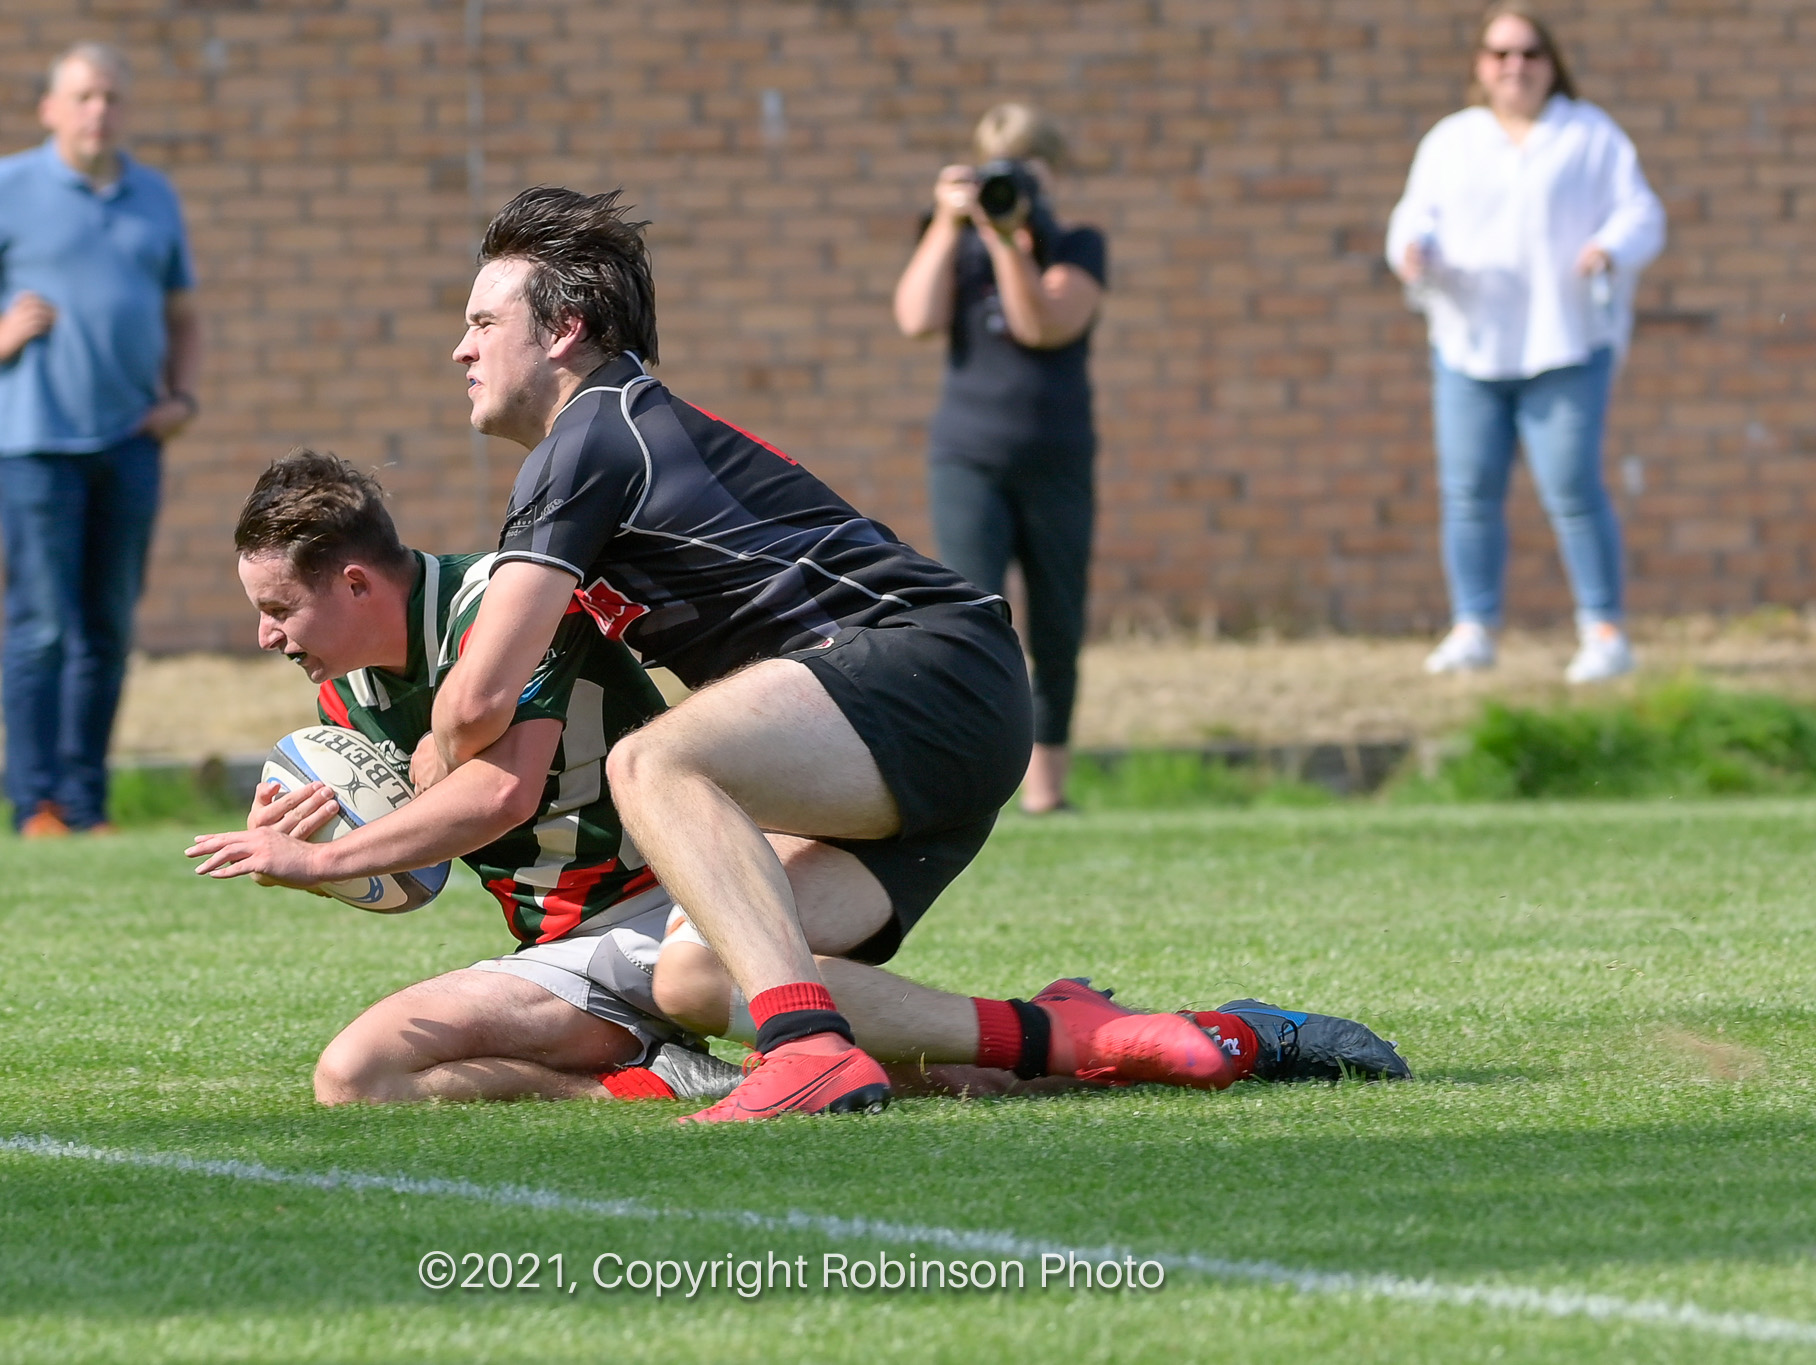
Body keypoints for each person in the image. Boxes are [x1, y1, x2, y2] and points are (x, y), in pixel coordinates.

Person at [427, 185, 1224, 1123]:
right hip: (934, 714)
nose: (462, 348)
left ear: (564, 328)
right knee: (698, 974)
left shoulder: (586, 436)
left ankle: (808, 1055)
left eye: (484, 320)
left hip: (924, 668)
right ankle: (1062, 1036)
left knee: (657, 759)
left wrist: (413, 779)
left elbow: (477, 703)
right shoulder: (612, 433)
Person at [187, 451, 1328, 1105]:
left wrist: (326, 852)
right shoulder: (342, 689)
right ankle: (654, 1080)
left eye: (278, 609)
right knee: (358, 1077)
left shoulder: (496, 600)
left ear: (352, 581)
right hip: (565, 953)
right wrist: (326, 856)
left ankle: (1028, 1041)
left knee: (700, 979)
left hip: (679, 890)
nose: (267, 638)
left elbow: (498, 796)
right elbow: (427, 867)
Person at [0, 42, 201, 835]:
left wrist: (182, 397)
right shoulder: (7, 186)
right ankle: (35, 804)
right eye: (83, 96)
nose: (99, 111)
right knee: (43, 625)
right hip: (33, 445)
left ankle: (86, 804)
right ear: (51, 109)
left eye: (112, 97)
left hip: (129, 443)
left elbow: (183, 316)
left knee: (107, 627)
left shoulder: (153, 196)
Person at [1388, 4, 1664, 684]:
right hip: (1471, 345)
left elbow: (1642, 214)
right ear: (1480, 67)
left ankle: (1603, 629)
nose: (1516, 67)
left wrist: (1609, 247)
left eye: (1530, 54)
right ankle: (1473, 625)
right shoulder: (1453, 141)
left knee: (1571, 487)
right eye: (1501, 54)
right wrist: (1413, 252)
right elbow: (1410, 220)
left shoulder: (1588, 134)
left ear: (1552, 63)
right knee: (1469, 491)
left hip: (1566, 343)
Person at [891, 104, 1107, 813]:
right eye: (999, 171)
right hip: (968, 455)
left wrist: (1010, 239)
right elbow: (916, 318)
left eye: (1027, 171)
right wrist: (951, 223)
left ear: (1053, 175)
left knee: (1056, 622)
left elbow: (1039, 325)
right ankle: (971, 784)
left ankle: (1047, 792)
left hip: (1056, 457)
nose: (1012, 185)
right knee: (974, 620)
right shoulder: (954, 240)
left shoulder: (1077, 244)